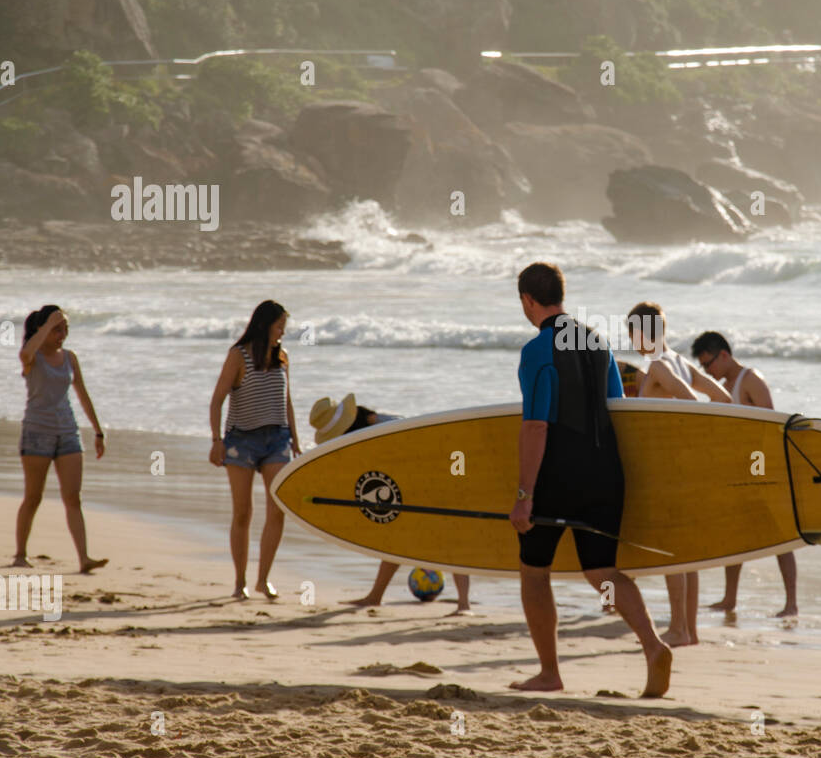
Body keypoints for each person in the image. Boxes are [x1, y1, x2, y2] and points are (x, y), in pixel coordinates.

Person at [508, 262, 671, 696]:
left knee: (534, 571)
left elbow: (536, 426)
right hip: (606, 472)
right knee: (602, 569)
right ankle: (654, 646)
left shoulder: (537, 351)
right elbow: (619, 409)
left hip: (558, 475)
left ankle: (549, 673)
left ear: (527, 300)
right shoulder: (597, 343)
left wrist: (525, 494)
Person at [309, 394, 472, 615]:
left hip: (441, 471)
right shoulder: (370, 428)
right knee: (396, 538)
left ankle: (464, 604)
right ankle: (375, 597)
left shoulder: (384, 428)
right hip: (418, 478)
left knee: (451, 535)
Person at [627, 301, 730, 647]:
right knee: (687, 550)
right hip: (687, 467)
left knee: (672, 548)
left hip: (666, 467)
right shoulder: (681, 362)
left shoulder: (657, 366)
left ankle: (678, 628)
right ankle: (690, 630)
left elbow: (689, 403)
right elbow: (724, 398)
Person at [692, 330, 798, 617]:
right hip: (736, 469)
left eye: (708, 364)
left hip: (760, 467)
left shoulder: (750, 379)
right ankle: (729, 599)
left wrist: (760, 473)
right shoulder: (722, 388)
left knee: (780, 536)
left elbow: (770, 425)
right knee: (734, 535)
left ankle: (791, 603)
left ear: (724, 355)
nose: (706, 372)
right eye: (702, 367)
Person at [208, 300, 299, 600]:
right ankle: (240, 582)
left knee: (278, 510)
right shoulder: (239, 355)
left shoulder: (282, 356)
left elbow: (286, 402)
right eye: (279, 325)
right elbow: (217, 399)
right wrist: (216, 440)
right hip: (241, 441)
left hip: (277, 439)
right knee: (243, 513)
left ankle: (263, 579)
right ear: (264, 324)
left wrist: (296, 441)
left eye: (285, 325)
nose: (283, 331)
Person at [12, 306, 108, 574]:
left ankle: (84, 558)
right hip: (36, 433)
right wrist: (46, 326)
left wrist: (98, 431)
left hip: (67, 433)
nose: (62, 334)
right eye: (57, 328)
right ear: (44, 329)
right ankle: (20, 553)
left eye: (65, 328)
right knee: (33, 497)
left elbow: (82, 394)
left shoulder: (69, 358)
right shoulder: (32, 357)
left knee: (73, 498)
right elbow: (26, 352)